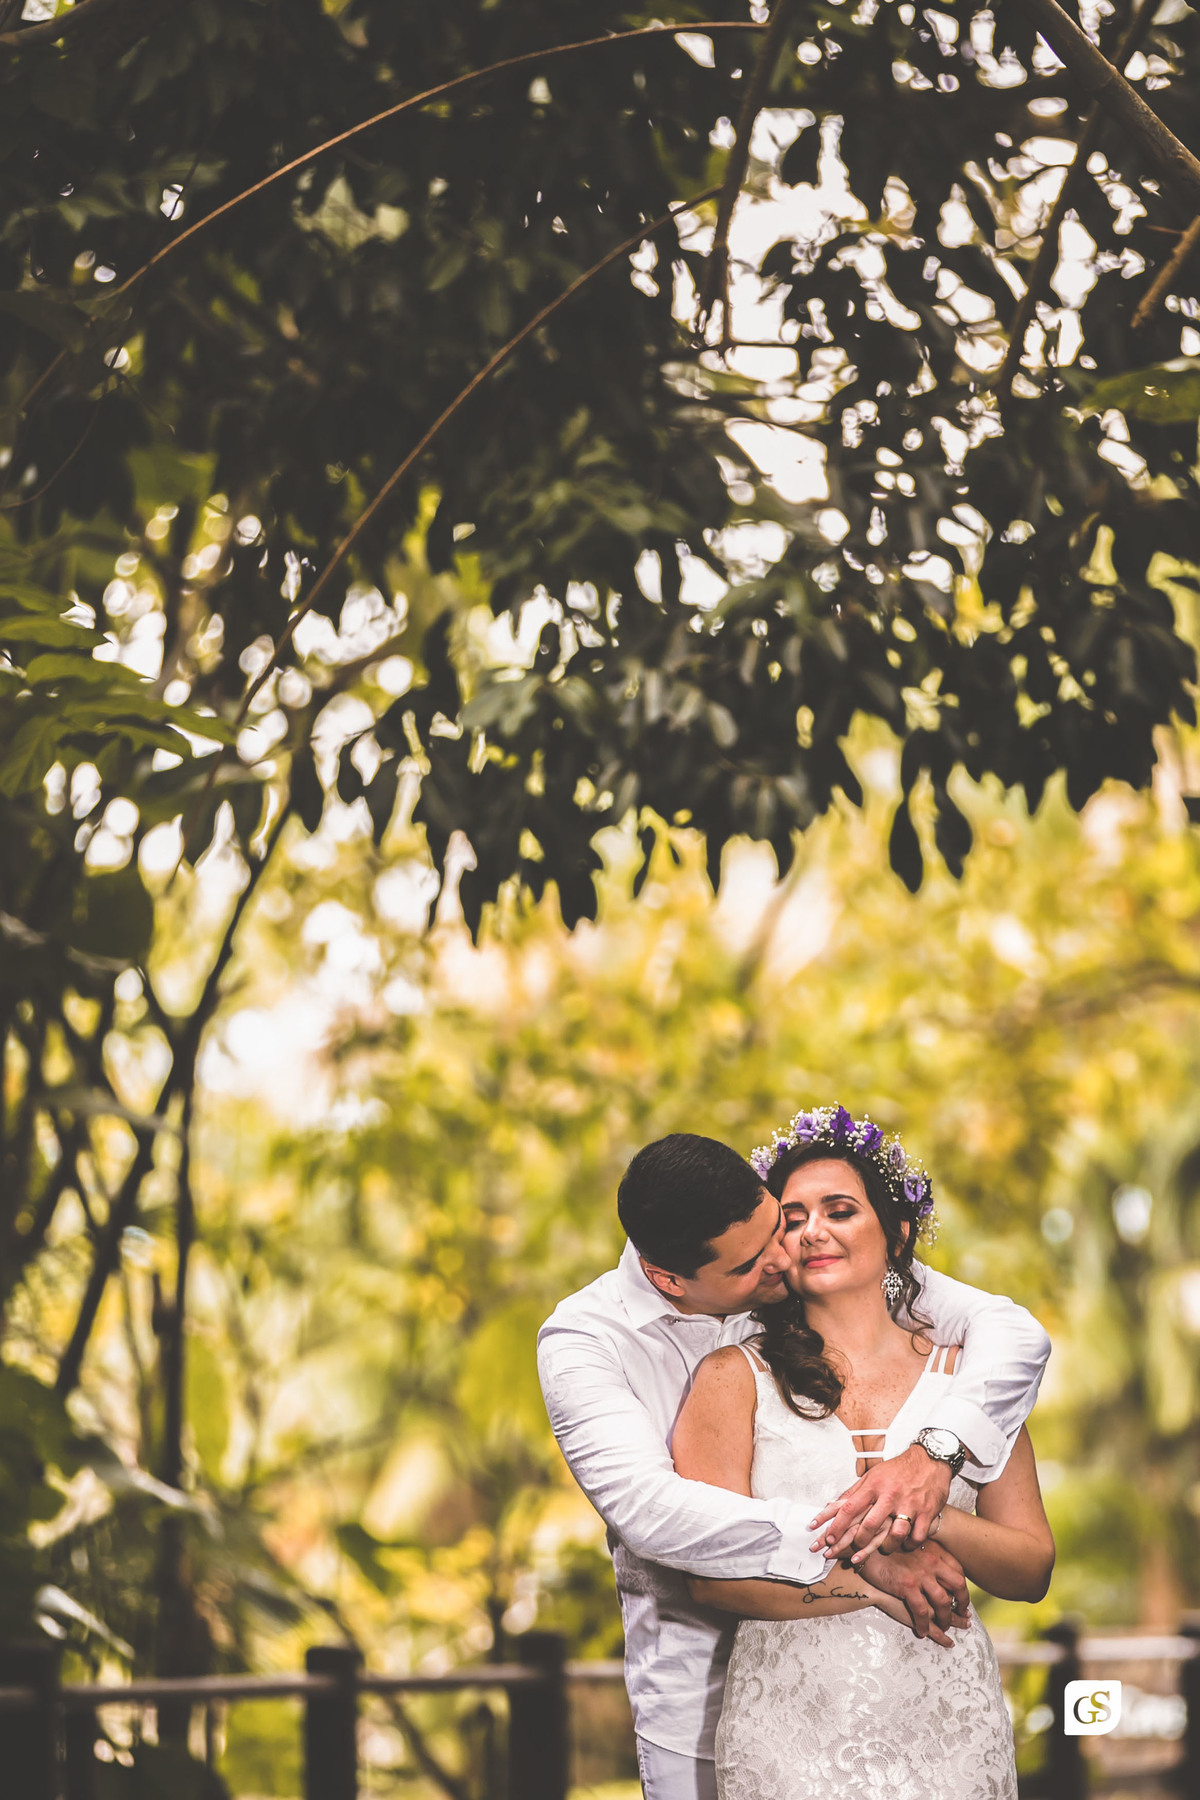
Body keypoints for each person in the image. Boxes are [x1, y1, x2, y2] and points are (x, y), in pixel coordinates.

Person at [537, 1122, 1051, 1800]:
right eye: (785, 1229)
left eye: (825, 1214)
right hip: (736, 1696)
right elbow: (658, 1520)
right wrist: (871, 1551)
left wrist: (927, 1481)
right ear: (671, 1279)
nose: (790, 1249)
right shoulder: (603, 1345)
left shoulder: (961, 1364)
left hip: (946, 1712)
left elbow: (1018, 1337)